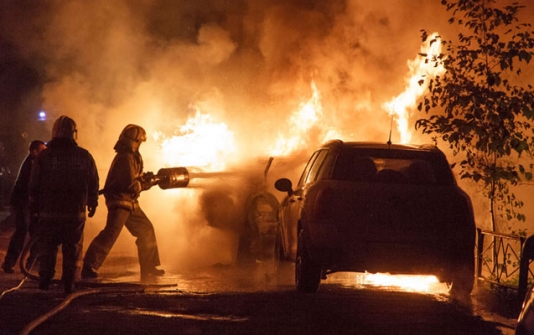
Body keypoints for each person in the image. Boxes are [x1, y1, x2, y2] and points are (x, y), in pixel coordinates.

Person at [82, 124, 164, 282]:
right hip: (120, 201)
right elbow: (130, 185)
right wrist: (147, 184)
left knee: (146, 229)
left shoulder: (132, 156)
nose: (140, 145)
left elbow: (134, 179)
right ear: (136, 140)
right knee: (111, 233)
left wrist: (144, 178)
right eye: (140, 142)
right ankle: (89, 266)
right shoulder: (125, 157)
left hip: (129, 202)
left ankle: (149, 267)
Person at [29, 115, 99, 293]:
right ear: (73, 133)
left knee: (48, 247)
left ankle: (44, 280)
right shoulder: (84, 156)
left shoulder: (44, 156)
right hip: (74, 214)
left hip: (48, 214)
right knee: (72, 249)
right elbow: (93, 181)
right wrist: (93, 202)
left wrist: (34, 207)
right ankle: (69, 283)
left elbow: (34, 184)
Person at [1, 140, 47, 273]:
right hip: (22, 202)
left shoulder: (35, 162)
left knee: (35, 231)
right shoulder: (32, 163)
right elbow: (33, 186)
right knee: (23, 229)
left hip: (28, 202)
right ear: (35, 151)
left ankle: (31, 263)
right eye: (42, 150)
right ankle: (10, 263)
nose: (45, 153)